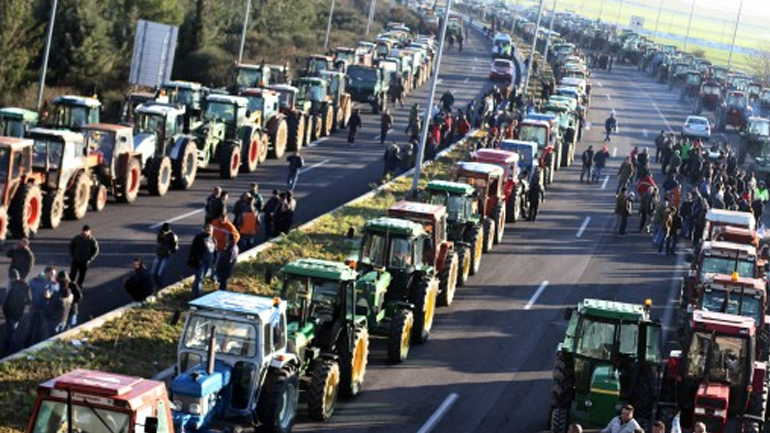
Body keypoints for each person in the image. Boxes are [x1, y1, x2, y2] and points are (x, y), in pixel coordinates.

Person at [27, 267, 59, 345]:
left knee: (41, 330)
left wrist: (50, 296)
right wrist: (29, 301)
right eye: (51, 274)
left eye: (54, 275)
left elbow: (57, 297)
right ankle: (26, 345)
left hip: (45, 310)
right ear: (46, 273)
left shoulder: (55, 284)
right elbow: (27, 289)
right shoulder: (35, 281)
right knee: (30, 328)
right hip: (34, 308)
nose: (53, 276)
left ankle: (36, 346)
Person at [2, 269, 30, 354]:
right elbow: (29, 300)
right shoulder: (25, 286)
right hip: (19, 312)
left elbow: (9, 302)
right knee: (12, 330)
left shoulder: (13, 287)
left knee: (11, 332)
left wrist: (5, 311)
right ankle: (7, 347)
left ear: (11, 278)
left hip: (11, 313)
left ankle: (11, 350)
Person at [187, 223, 216, 298]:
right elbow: (194, 249)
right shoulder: (199, 238)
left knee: (202, 277)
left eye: (211, 229)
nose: (209, 231)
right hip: (201, 261)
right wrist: (198, 259)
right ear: (204, 229)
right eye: (208, 229)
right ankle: (197, 294)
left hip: (209, 261)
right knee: (199, 277)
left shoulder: (213, 238)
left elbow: (214, 250)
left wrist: (214, 261)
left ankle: (195, 291)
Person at [152, 223, 178, 288]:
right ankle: (156, 284)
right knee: (153, 273)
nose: (164, 232)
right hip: (158, 254)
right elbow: (158, 241)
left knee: (160, 273)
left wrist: (170, 251)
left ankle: (159, 286)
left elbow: (175, 247)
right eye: (163, 231)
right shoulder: (160, 232)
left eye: (165, 231)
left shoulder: (173, 236)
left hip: (166, 256)